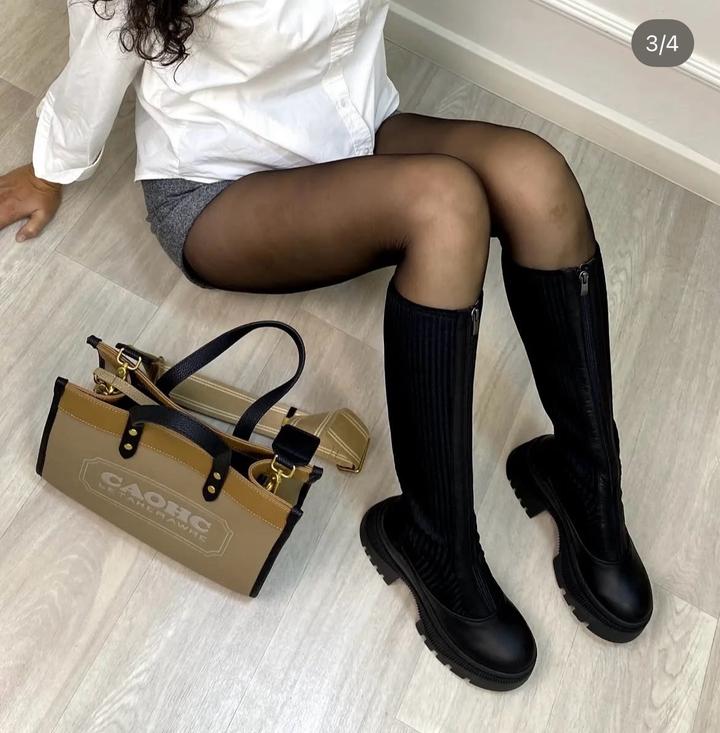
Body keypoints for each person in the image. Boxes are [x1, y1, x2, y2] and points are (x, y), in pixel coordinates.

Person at [0, 0, 652, 690]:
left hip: (347, 134)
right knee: (446, 206)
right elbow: (103, 45)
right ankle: (434, 540)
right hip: (219, 182)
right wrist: (50, 167)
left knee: (537, 176)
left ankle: (585, 475)